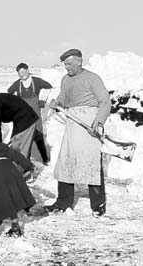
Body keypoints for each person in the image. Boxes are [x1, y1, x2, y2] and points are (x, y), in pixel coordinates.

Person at [45, 49, 111, 216]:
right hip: (72, 122)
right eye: (65, 65)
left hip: (89, 122)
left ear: (79, 62)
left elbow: (105, 101)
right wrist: (57, 102)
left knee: (92, 163)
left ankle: (98, 206)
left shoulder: (92, 78)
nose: (67, 68)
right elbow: (63, 96)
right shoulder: (65, 79)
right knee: (66, 161)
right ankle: (62, 203)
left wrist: (98, 121)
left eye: (69, 64)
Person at [7, 63, 53, 165]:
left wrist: (42, 100)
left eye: (23, 72)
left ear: (28, 70)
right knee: (23, 138)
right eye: (20, 73)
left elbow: (49, 87)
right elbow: (9, 92)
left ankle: (45, 159)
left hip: (35, 115)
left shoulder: (36, 81)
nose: (22, 74)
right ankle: (24, 159)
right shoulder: (17, 84)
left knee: (39, 136)